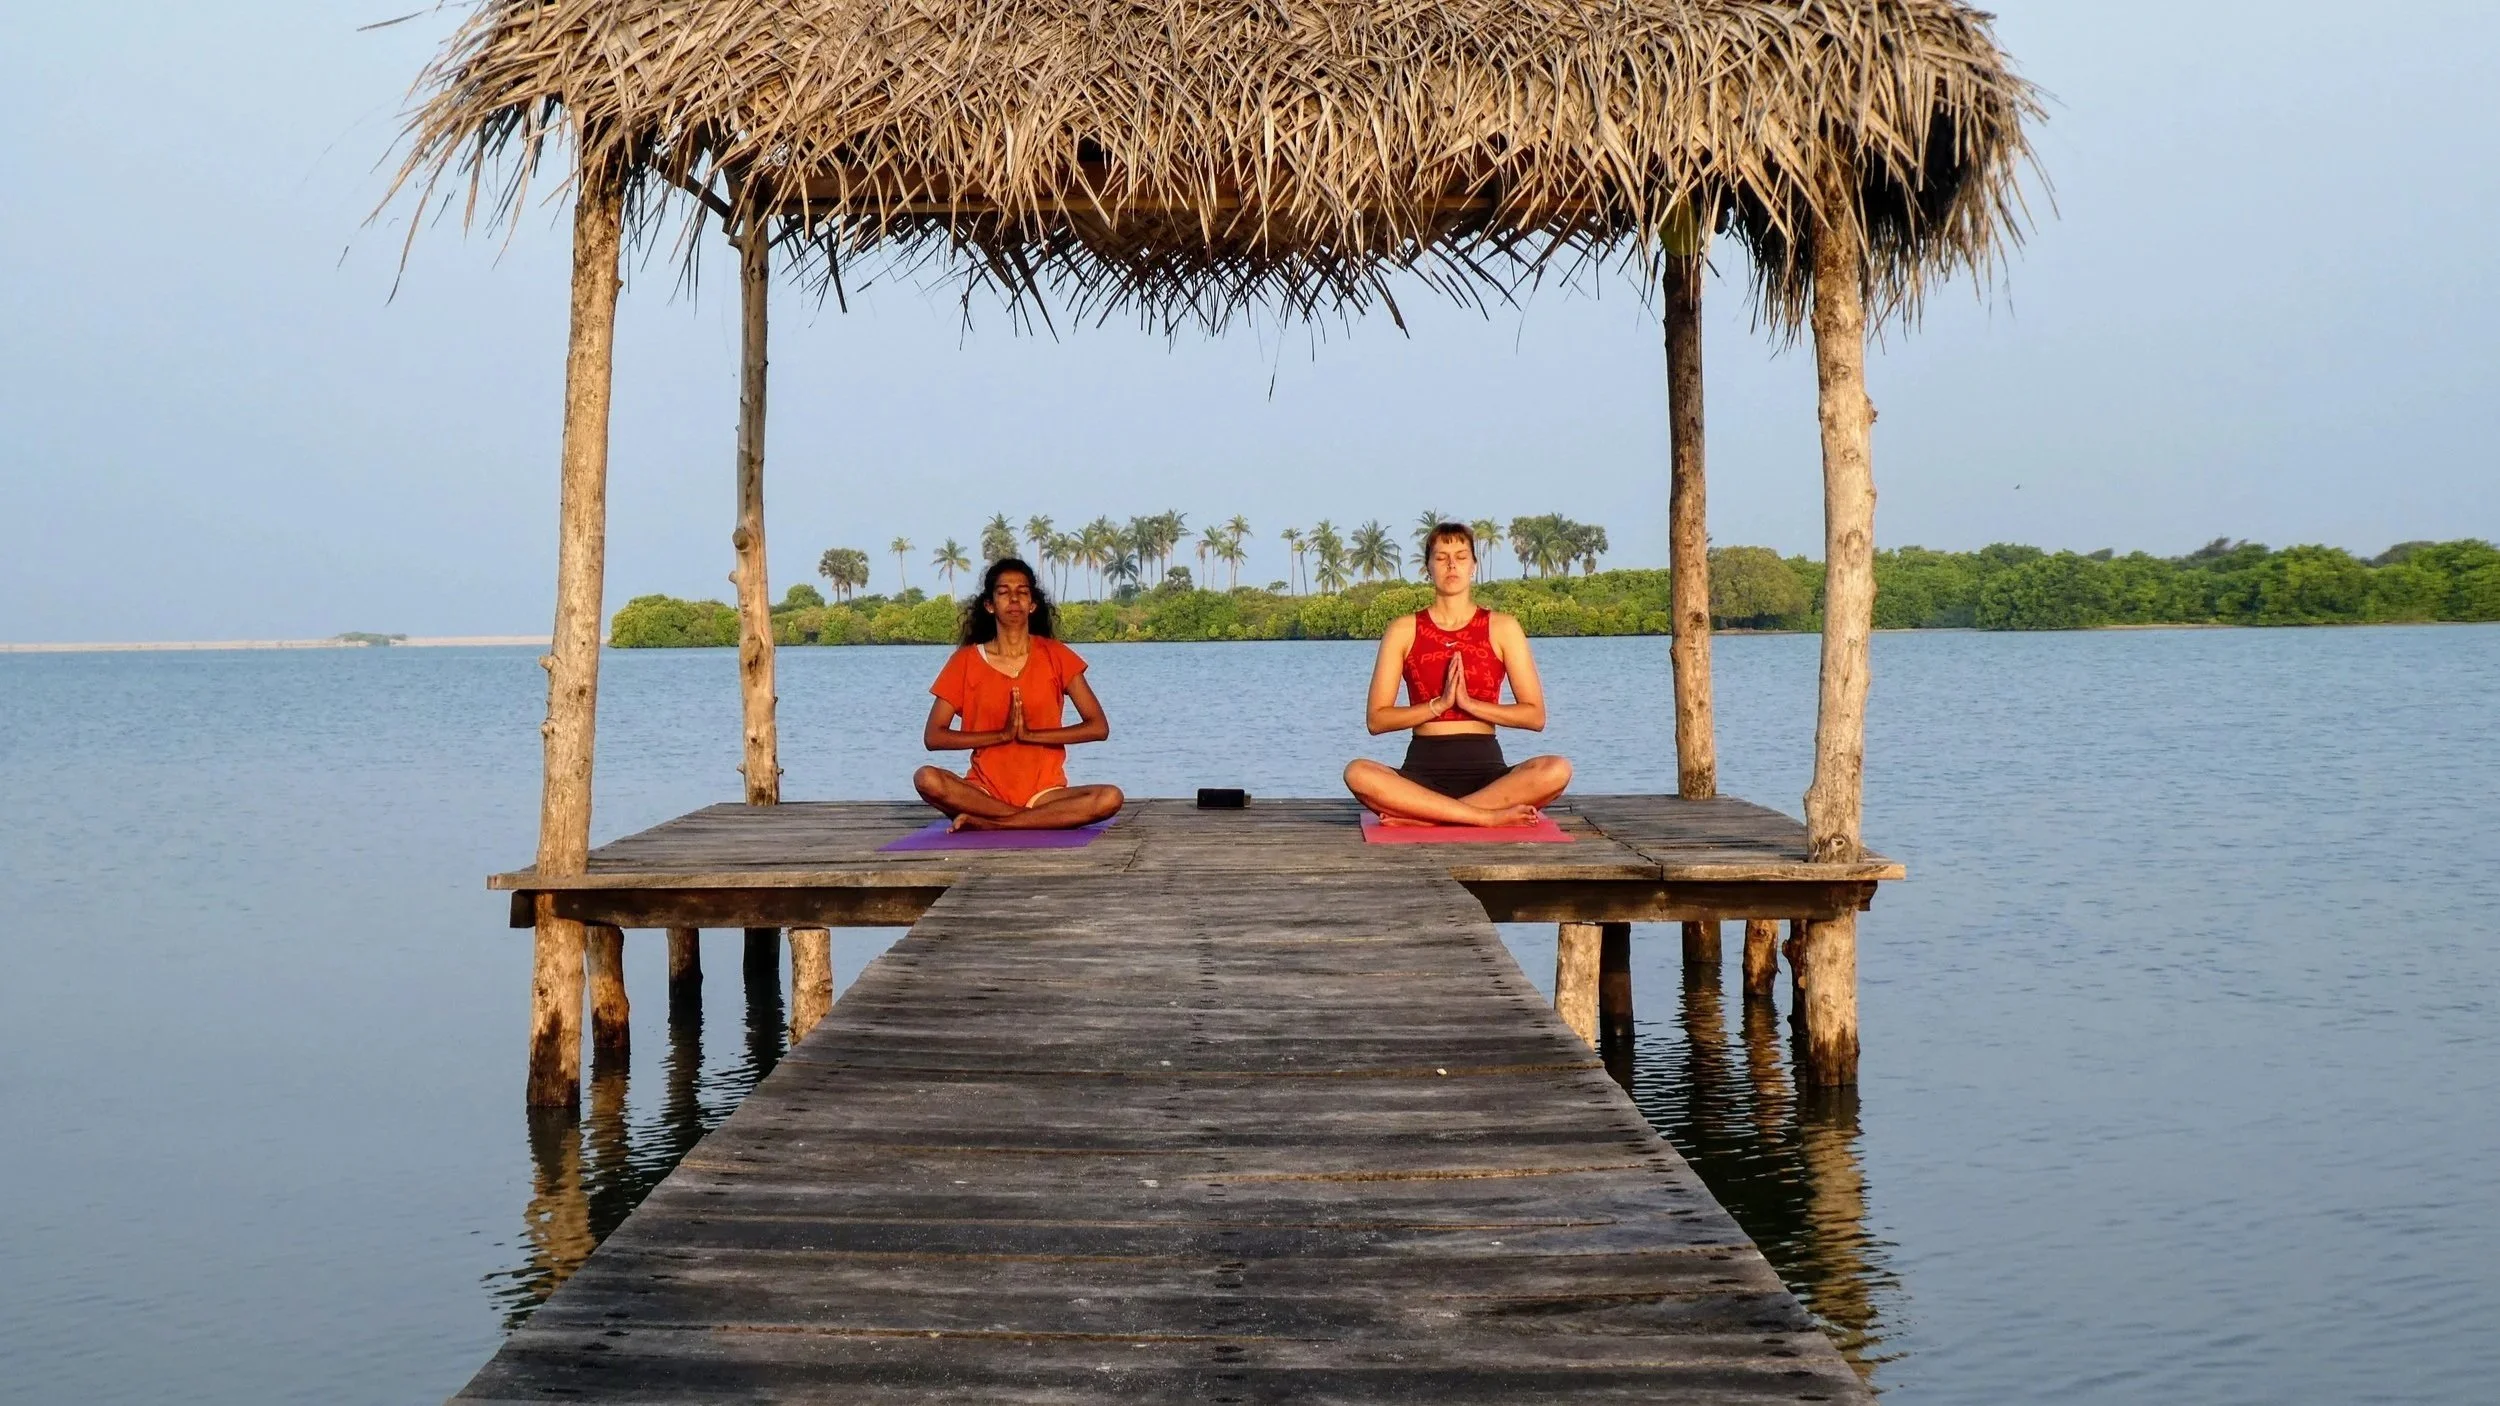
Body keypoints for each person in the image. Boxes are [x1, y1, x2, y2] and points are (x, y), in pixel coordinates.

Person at [1343, 523, 1572, 826]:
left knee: (1557, 769)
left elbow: (1535, 716)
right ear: (1427, 567)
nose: (1452, 565)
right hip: (1420, 774)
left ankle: (1429, 817)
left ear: (1474, 566)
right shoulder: (1402, 630)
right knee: (1357, 772)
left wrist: (1469, 704)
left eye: (1461, 557)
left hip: (1489, 775)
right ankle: (1483, 817)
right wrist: (1439, 705)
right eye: (1441, 557)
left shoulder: (1503, 627)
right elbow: (1377, 720)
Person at [912, 558, 1124, 831]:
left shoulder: (1056, 655)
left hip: (1045, 793)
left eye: (1022, 592)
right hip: (983, 792)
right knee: (926, 778)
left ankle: (998, 824)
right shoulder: (964, 661)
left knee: (1109, 798)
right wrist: (1001, 735)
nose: (1014, 599)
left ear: (1033, 604)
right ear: (989, 605)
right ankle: (1020, 819)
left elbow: (1098, 727)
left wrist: (1031, 735)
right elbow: (934, 736)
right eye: (1003, 592)